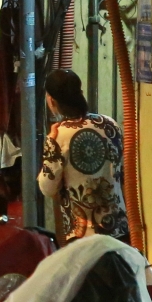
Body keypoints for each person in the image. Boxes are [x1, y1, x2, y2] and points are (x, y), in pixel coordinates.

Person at [39, 69, 131, 244]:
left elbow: (48, 187)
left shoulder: (57, 136)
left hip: (82, 236)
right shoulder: (109, 124)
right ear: (80, 93)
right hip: (119, 230)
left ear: (52, 101)